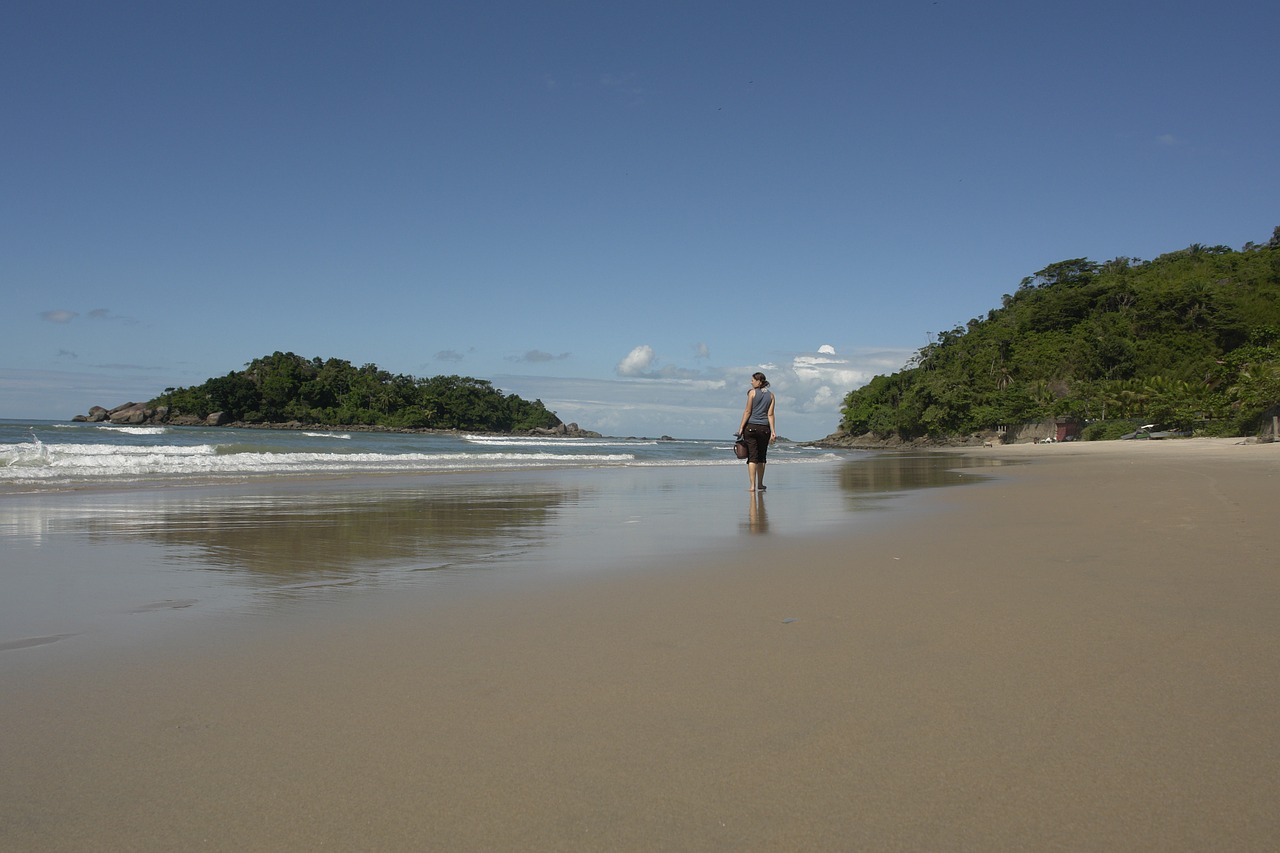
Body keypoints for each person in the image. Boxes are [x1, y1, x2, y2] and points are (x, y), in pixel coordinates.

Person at [737, 372, 776, 492]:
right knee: (762, 457)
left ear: (759, 381)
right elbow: (770, 414)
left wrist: (741, 428)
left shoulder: (752, 393)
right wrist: (773, 431)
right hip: (765, 428)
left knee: (752, 457)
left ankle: (752, 486)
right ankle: (760, 484)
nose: (751, 382)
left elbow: (748, 411)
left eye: (753, 380)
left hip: (751, 427)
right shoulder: (771, 395)